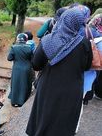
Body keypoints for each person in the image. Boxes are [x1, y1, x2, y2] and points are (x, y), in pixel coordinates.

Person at [26, 8, 93, 136]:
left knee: (44, 119)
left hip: (48, 88)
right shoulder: (84, 44)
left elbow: (35, 64)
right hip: (72, 90)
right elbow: (87, 66)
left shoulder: (48, 40)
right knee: (65, 123)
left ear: (62, 19)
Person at [7, 33, 33, 107]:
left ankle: (14, 101)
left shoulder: (14, 47)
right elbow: (32, 58)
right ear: (25, 40)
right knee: (25, 84)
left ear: (18, 40)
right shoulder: (29, 47)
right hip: (27, 68)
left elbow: (9, 58)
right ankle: (23, 100)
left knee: (16, 84)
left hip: (17, 68)